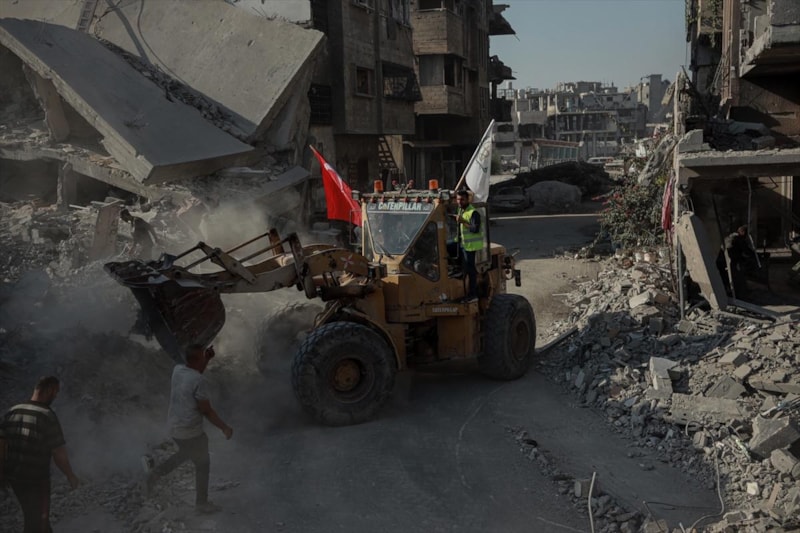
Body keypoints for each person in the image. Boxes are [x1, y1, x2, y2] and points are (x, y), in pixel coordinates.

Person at [143, 344, 233, 514]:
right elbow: (206, 411)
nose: (204, 358)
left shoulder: (178, 370)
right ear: (196, 360)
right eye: (202, 356)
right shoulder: (199, 380)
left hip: (174, 427)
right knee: (202, 463)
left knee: (185, 453)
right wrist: (225, 428)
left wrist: (206, 359)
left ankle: (155, 474)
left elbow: (194, 374)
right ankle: (201, 504)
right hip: (190, 431)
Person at [0, 376, 80, 533]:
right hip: (36, 480)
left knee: (35, 517)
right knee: (36, 523)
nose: (56, 396)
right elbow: (58, 452)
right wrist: (71, 476)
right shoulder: (47, 415)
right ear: (49, 390)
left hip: (16, 478)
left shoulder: (13, 410)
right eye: (56, 392)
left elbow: (1, 444)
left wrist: (1, 472)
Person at [453, 189, 484, 301]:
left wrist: (463, 222)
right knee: (445, 248)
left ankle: (472, 294)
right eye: (458, 199)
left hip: (471, 246)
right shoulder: (461, 210)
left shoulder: (473, 212)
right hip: (461, 243)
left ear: (467, 200)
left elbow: (475, 229)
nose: (459, 202)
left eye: (462, 200)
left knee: (470, 270)